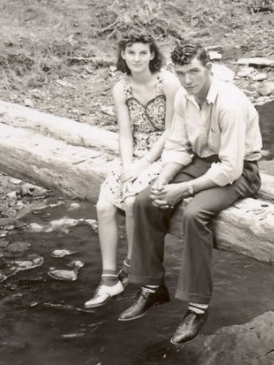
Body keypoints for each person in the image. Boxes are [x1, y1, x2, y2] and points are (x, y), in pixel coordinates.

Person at [118, 42, 263, 345]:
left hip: (240, 170)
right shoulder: (185, 97)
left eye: (194, 72)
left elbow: (230, 168)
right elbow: (178, 147)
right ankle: (152, 288)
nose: (187, 80)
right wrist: (163, 179)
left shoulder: (229, 103)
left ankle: (197, 307)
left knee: (195, 214)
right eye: (181, 73)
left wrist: (183, 190)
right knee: (146, 200)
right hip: (202, 162)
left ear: (209, 69)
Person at [84, 33, 181, 308]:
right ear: (123, 56)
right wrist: (127, 167)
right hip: (134, 152)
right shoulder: (121, 88)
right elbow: (125, 134)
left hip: (164, 152)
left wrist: (144, 164)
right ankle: (108, 279)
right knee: (104, 206)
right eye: (131, 53)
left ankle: (130, 267)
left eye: (142, 53)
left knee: (130, 203)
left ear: (152, 55)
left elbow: (171, 130)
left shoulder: (168, 83)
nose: (137, 58)